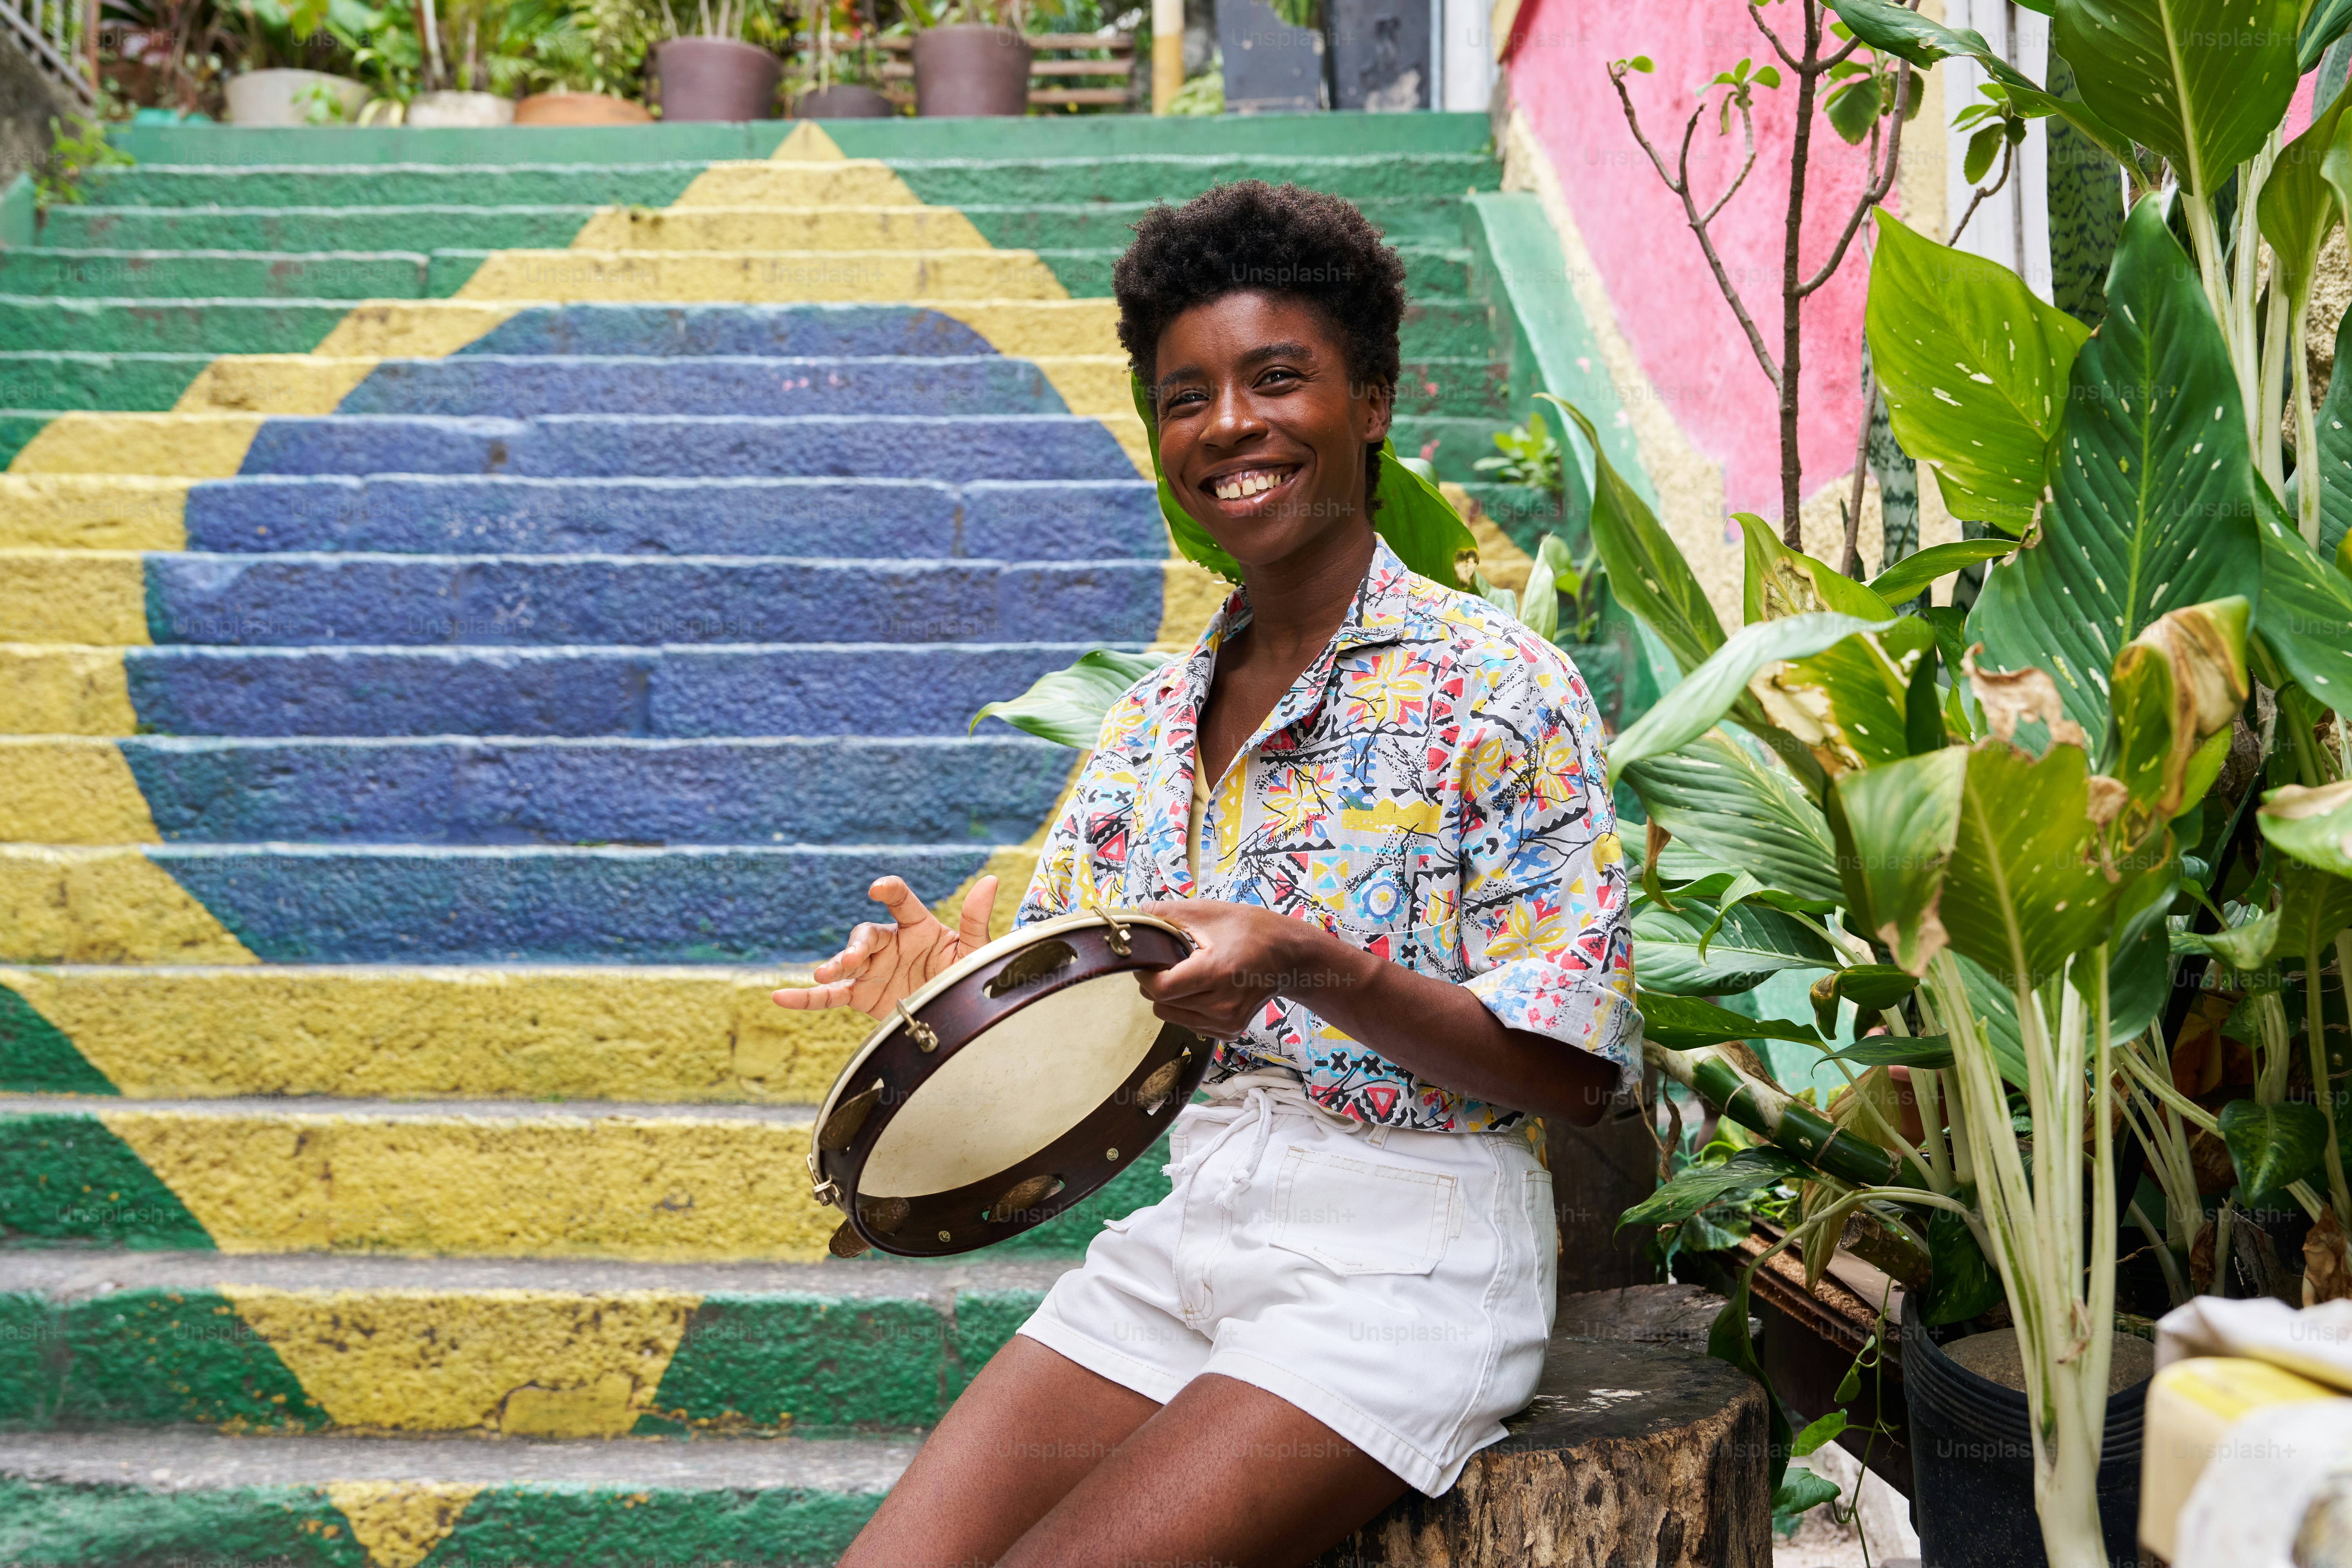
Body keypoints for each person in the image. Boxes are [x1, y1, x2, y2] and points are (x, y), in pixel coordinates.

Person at [775, 180, 1638, 1568]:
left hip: (1407, 1265)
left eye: (1277, 378)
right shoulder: (1148, 724)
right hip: (1193, 1240)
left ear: (1371, 401)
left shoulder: (1500, 689)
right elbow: (1078, 1009)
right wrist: (948, 985)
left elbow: (1578, 1077)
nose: (1229, 424)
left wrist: (1312, 965)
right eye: (1187, 397)